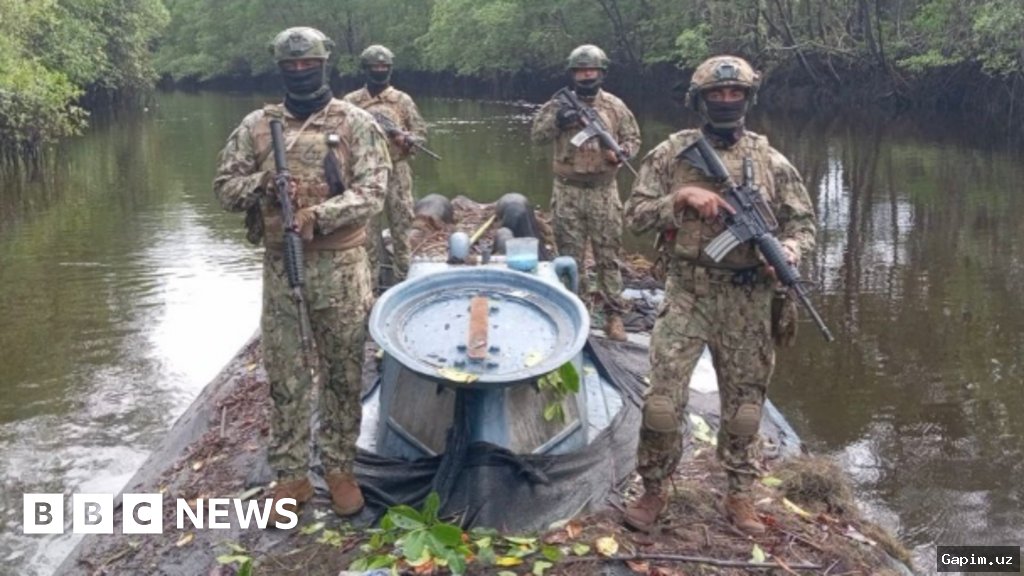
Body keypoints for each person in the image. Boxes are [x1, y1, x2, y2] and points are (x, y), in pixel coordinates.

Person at [621, 55, 817, 534]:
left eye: (735, 94)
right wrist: (681, 198)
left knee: (747, 408)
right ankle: (653, 490)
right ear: (700, 98)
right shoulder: (672, 154)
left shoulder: (771, 161)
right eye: (717, 94)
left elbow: (804, 224)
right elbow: (634, 215)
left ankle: (740, 495)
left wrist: (787, 252)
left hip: (749, 298)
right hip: (689, 291)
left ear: (748, 98)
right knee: (663, 403)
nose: (726, 101)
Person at [213, 27, 391, 524]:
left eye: (307, 63)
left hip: (341, 268)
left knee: (342, 372)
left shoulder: (356, 123)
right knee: (286, 376)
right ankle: (290, 477)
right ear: (279, 69)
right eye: (290, 66)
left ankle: (339, 469)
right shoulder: (256, 126)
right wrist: (264, 183)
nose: (299, 72)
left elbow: (373, 192)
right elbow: (224, 187)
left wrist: (319, 216)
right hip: (280, 266)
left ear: (325, 64)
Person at [530, 44, 640, 342]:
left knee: (609, 254)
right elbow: (536, 136)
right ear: (572, 74)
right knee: (570, 255)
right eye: (580, 70)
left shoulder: (615, 106)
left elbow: (632, 137)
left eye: (591, 70)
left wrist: (625, 151)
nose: (586, 75)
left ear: (601, 72)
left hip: (604, 190)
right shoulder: (557, 104)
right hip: (568, 191)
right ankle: (575, 310)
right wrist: (559, 121)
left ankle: (614, 314)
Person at [344, 44, 427, 286]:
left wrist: (407, 139)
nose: (380, 70)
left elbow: (421, 134)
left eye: (384, 67)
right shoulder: (351, 101)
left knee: (401, 229)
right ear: (366, 69)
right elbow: (338, 137)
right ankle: (368, 287)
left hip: (397, 171)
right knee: (365, 234)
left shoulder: (401, 100)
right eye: (375, 67)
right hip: (362, 174)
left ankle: (403, 282)